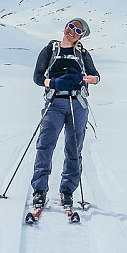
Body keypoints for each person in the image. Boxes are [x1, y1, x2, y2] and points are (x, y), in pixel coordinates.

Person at [30, 18, 100, 208]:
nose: (72, 31)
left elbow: (96, 76)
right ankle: (39, 190)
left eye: (77, 30)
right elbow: (37, 76)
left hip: (77, 104)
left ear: (81, 36)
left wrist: (91, 79)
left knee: (73, 149)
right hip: (54, 103)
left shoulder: (83, 54)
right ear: (65, 27)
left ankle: (67, 191)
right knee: (45, 146)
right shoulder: (50, 51)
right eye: (71, 26)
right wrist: (51, 83)